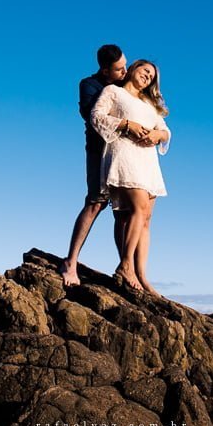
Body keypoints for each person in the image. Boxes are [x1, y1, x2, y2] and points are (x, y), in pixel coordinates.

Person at [90, 59, 170, 295]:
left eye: (152, 77)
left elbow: (166, 131)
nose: (148, 77)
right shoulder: (113, 92)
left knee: (144, 217)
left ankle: (141, 274)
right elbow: (97, 116)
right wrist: (127, 124)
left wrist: (157, 134)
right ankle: (125, 266)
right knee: (136, 209)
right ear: (133, 68)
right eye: (145, 71)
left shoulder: (149, 104)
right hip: (124, 153)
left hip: (148, 162)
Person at [59, 44, 129, 287]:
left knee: (122, 211)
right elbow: (93, 116)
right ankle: (71, 262)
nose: (125, 72)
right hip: (99, 151)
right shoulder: (88, 85)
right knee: (95, 202)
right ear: (105, 70)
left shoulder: (125, 83)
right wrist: (127, 123)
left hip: (123, 154)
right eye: (119, 69)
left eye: (125, 66)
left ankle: (125, 268)